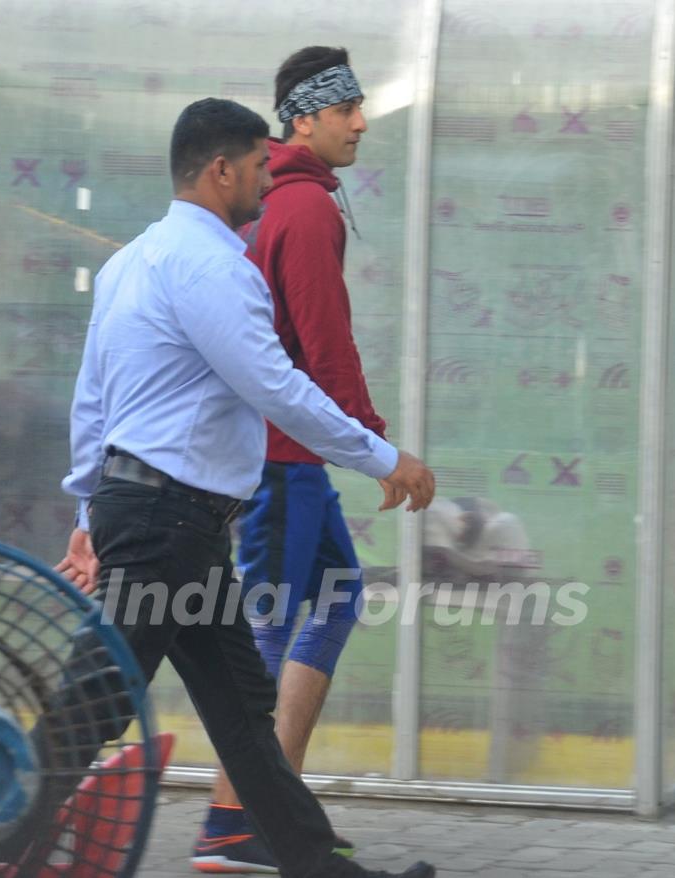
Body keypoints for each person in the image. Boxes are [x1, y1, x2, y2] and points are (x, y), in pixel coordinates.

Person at [52, 97, 436, 878]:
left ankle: (320, 866)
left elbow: (93, 401)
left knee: (243, 713)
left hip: (171, 522)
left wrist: (90, 510)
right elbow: (274, 385)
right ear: (221, 170)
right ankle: (2, 822)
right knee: (96, 701)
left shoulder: (132, 260)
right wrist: (382, 457)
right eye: (261, 165)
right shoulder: (215, 265)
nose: (269, 177)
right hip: (167, 521)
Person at [193, 46, 390, 874]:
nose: (362, 121)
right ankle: (233, 824)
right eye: (347, 107)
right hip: (282, 456)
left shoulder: (288, 199)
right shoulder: (304, 209)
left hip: (293, 452)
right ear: (304, 117)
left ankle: (279, 809)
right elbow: (322, 340)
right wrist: (376, 445)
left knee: (337, 599)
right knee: (267, 630)